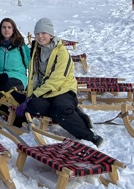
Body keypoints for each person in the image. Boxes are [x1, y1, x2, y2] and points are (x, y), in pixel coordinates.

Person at [12, 18, 102, 147]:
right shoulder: (36, 50)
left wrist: (35, 95)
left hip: (63, 90)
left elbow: (56, 80)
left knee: (59, 109)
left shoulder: (61, 52)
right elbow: (34, 76)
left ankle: (90, 136)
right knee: (34, 106)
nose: (40, 36)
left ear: (51, 34)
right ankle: (72, 113)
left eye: (43, 33)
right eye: (37, 33)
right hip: (45, 92)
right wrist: (29, 98)